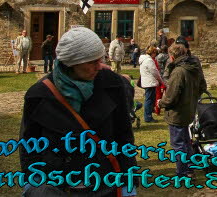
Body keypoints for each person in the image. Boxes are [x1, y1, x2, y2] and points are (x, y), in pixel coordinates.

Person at [20, 27, 137, 196]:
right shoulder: (39, 95)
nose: (99, 66)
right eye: (91, 62)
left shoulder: (112, 84)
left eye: (100, 59)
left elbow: (123, 134)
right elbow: (29, 143)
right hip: (58, 183)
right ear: (71, 63)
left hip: (105, 180)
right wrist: (33, 183)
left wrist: (128, 182)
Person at [157, 43, 200, 177]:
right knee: (186, 141)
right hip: (188, 109)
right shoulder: (193, 67)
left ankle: (183, 172)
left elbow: (171, 96)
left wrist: (160, 103)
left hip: (178, 112)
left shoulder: (179, 71)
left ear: (172, 56)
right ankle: (189, 169)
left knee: (179, 144)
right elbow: (202, 86)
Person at [140, 45, 163, 123]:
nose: (155, 55)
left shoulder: (144, 59)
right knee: (149, 100)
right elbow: (155, 71)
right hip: (149, 82)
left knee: (149, 99)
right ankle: (148, 117)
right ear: (152, 52)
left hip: (147, 81)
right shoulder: (149, 60)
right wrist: (160, 80)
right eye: (155, 53)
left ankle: (148, 115)